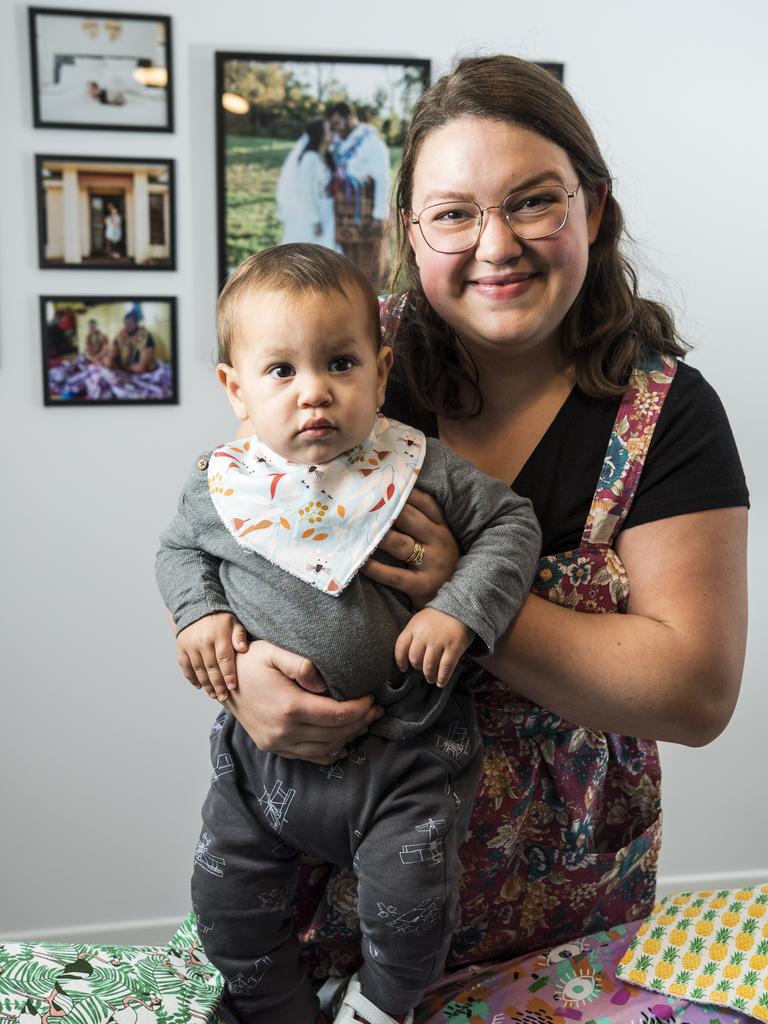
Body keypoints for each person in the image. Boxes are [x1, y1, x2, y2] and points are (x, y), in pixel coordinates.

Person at [175, 55, 748, 1005]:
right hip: (334, 879)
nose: (497, 245)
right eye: (453, 213)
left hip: (561, 906)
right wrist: (245, 686)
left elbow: (693, 693)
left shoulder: (666, 416)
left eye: (534, 202)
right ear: (412, 231)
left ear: (592, 210)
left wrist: (470, 597)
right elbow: (218, 529)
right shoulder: (348, 363)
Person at [156, 243, 541, 1024]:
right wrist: (199, 612)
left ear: (381, 367)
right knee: (223, 895)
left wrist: (457, 605)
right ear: (235, 388)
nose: (315, 394)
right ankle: (272, 1006)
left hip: (407, 749)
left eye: (339, 362)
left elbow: (512, 522)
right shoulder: (220, 487)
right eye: (281, 371)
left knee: (411, 903)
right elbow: (176, 552)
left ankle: (380, 1008)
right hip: (262, 763)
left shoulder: (418, 464)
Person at [327, 102, 391, 290]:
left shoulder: (372, 143)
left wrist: (379, 216)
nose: (335, 129)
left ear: (349, 118)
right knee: (348, 261)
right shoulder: (339, 143)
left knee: (369, 262)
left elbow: (383, 180)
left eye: (338, 123)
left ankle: (372, 302)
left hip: (367, 211)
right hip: (344, 213)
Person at [277, 118, 339, 249]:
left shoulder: (328, 157)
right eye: (329, 130)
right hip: (315, 213)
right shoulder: (309, 159)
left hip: (328, 210)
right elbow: (305, 191)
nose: (333, 132)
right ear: (320, 135)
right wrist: (314, 220)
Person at [105, 305, 157, 373]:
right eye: (126, 323)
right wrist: (110, 361)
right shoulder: (121, 334)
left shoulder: (145, 334)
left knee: (150, 367)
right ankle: (117, 365)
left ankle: (125, 368)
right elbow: (114, 348)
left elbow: (149, 350)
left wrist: (139, 366)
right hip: (123, 362)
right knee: (109, 361)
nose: (128, 325)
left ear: (136, 323)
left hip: (136, 363)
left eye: (130, 323)